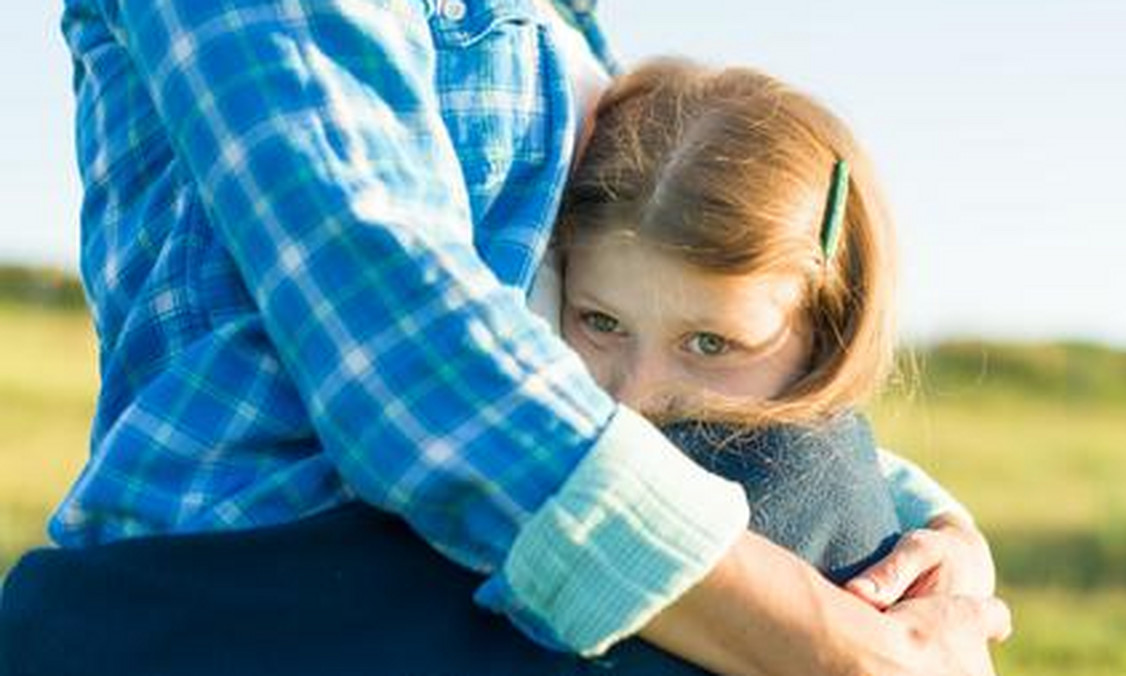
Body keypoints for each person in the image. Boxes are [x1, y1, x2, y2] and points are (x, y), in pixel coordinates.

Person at [1, 1, 1008, 675]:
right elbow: (398, 341)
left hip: (432, 557)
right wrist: (838, 643)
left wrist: (925, 543)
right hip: (255, 584)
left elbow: (569, 352)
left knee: (810, 467)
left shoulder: (558, 30)